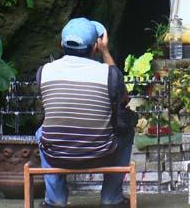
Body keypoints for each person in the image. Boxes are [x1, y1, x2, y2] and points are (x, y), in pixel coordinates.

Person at [35, 17, 137, 207]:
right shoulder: (109, 74)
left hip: (57, 153)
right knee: (126, 128)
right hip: (102, 152)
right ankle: (111, 198)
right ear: (94, 48)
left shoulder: (44, 72)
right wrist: (106, 52)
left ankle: (55, 200)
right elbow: (124, 98)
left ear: (61, 44)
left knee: (42, 132)